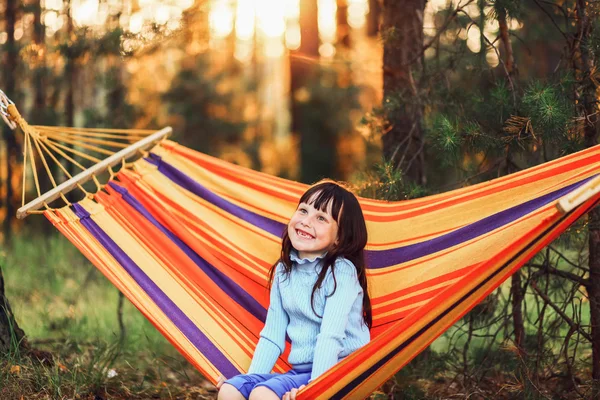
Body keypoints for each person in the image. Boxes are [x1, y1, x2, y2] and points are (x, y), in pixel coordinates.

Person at [217, 181, 372, 400]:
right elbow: (272, 336)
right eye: (303, 210)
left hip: (338, 373)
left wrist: (317, 389)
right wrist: (249, 382)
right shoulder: (284, 271)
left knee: (263, 395)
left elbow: (330, 336)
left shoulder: (341, 272)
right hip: (301, 372)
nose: (306, 222)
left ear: (339, 238)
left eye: (321, 218)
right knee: (230, 390)